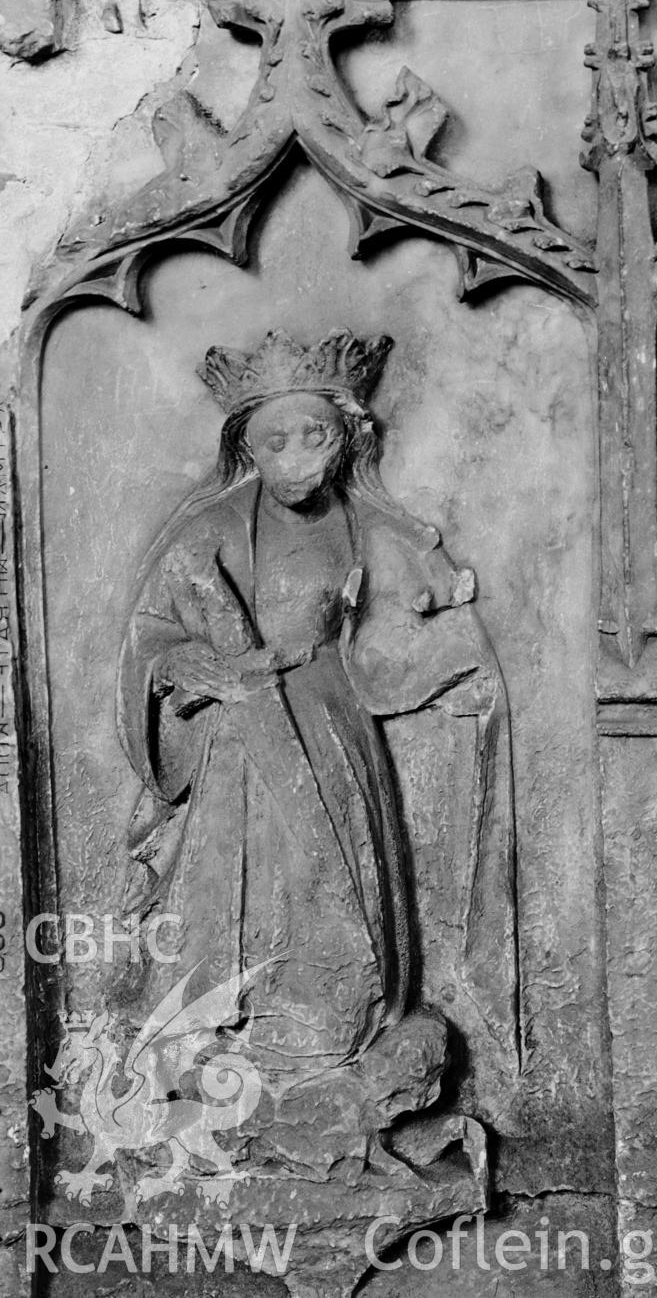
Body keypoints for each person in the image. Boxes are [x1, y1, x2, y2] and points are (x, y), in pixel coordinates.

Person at [119, 329, 516, 1081]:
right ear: (247, 448)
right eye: (277, 441)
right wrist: (185, 665)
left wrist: (453, 667)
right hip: (243, 743)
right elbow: (150, 641)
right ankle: (232, 1051)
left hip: (336, 730)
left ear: (349, 437)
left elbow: (384, 641)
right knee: (255, 887)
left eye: (317, 435)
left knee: (344, 889)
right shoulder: (208, 534)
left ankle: (340, 1047)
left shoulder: (372, 527)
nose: (298, 456)